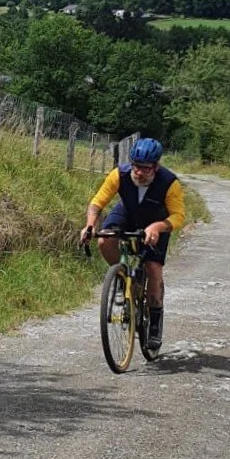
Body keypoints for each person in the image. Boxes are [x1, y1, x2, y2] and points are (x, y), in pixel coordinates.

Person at [78, 137, 185, 347]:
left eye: (145, 169)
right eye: (136, 166)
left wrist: (158, 227)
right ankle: (122, 276)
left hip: (157, 221)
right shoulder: (119, 174)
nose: (139, 172)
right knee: (104, 240)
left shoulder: (169, 183)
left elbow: (178, 216)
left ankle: (154, 322)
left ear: (156, 166)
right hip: (127, 212)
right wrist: (90, 226)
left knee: (153, 269)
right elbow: (97, 202)